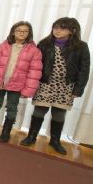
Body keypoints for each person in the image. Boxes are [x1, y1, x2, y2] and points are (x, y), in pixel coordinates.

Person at [20, 17, 90, 155]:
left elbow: (84, 69)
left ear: (72, 30)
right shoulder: (44, 44)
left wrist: (78, 89)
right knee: (39, 111)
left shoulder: (81, 47)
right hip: (45, 84)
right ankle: (31, 136)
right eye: (55, 27)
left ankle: (55, 140)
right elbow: (34, 65)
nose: (57, 31)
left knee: (59, 114)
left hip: (66, 87)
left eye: (62, 28)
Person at [0, 21, 42, 142]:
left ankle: (6, 132)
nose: (21, 33)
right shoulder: (3, 46)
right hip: (0, 83)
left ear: (29, 33)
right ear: (13, 32)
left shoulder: (34, 51)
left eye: (25, 31)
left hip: (17, 85)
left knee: (12, 108)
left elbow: (34, 72)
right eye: (19, 30)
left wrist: (27, 90)